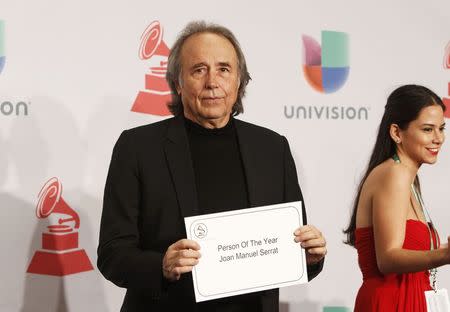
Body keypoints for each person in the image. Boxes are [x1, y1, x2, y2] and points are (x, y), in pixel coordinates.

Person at [97, 21, 326, 312]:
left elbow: (292, 252)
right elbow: (112, 255)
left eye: (223, 69)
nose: (212, 82)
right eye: (199, 70)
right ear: (178, 82)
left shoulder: (272, 148)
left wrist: (310, 256)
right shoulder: (138, 147)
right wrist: (162, 265)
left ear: (239, 81)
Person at [344, 84, 450, 311]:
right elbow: (388, 259)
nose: (439, 138)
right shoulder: (394, 173)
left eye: (442, 128)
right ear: (396, 133)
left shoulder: (408, 178)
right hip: (390, 302)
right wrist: (444, 255)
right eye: (427, 129)